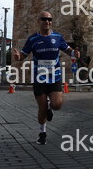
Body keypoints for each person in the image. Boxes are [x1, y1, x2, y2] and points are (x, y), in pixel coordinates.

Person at [12, 11, 79, 145]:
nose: (47, 21)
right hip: (39, 77)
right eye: (44, 19)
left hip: (55, 76)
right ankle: (42, 133)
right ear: (39, 21)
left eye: (49, 19)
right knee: (42, 108)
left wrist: (74, 53)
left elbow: (68, 50)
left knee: (57, 105)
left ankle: (50, 106)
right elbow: (23, 55)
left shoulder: (57, 37)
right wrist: (18, 57)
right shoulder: (32, 39)